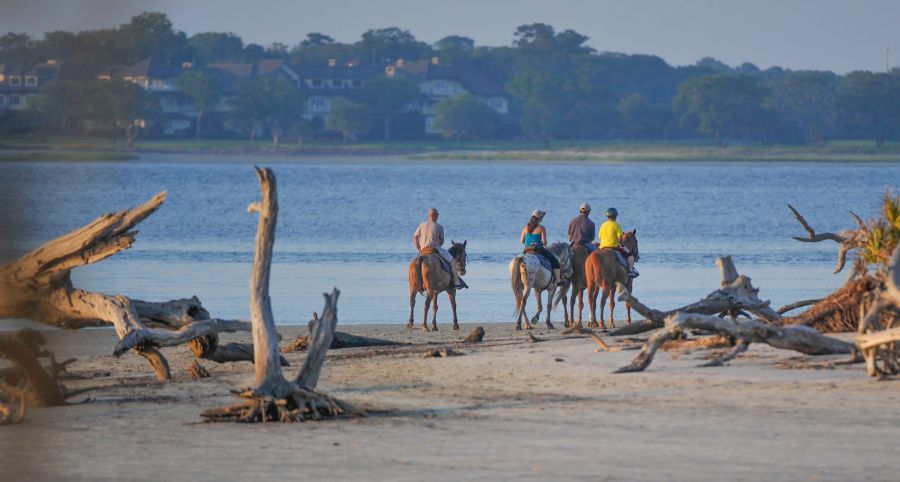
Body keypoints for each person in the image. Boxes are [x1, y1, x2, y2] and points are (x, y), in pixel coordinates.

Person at [413, 208, 467, 289]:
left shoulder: (422, 225)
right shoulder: (439, 227)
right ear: (436, 216)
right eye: (437, 215)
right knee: (452, 261)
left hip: (423, 250)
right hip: (435, 250)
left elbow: (415, 237)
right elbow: (441, 242)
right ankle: (456, 282)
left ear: (429, 216)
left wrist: (419, 248)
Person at [519, 209, 564, 285]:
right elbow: (545, 242)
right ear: (539, 219)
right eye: (541, 218)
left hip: (526, 250)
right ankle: (558, 280)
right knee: (555, 260)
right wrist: (540, 243)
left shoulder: (526, 227)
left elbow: (522, 241)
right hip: (537, 250)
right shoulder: (541, 228)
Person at [598, 207, 639, 277]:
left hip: (602, 247)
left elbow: (600, 237)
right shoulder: (616, 225)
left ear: (607, 216)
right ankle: (630, 270)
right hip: (614, 247)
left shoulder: (602, 225)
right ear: (615, 216)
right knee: (630, 255)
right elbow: (620, 239)